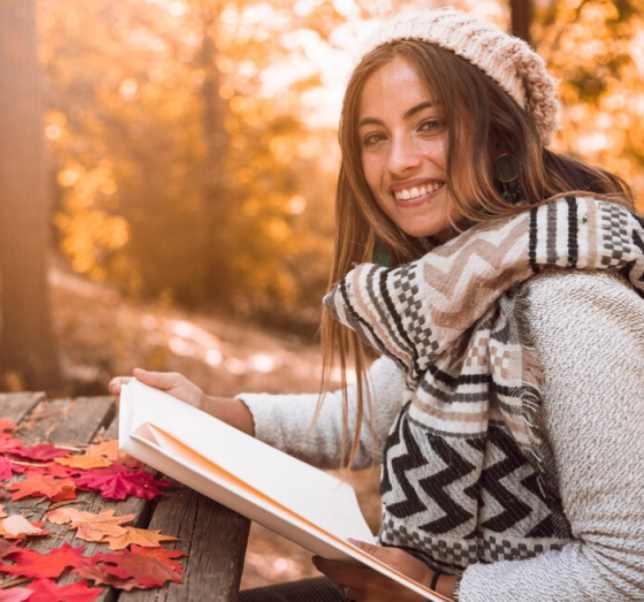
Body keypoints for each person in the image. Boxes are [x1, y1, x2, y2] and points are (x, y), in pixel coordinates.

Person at [109, 7, 644, 602]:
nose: (397, 162)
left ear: (500, 136)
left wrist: (439, 587)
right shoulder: (460, 286)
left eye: (429, 124)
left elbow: (629, 570)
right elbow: (362, 418)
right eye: (374, 137)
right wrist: (213, 408)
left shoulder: (571, 304)